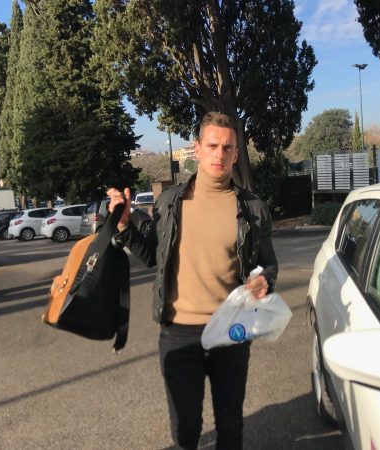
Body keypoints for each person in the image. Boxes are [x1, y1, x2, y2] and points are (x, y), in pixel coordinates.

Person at [107, 111, 278, 450]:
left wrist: (264, 282)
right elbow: (152, 257)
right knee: (185, 429)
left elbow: (268, 265)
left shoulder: (253, 208)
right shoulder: (170, 201)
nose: (220, 154)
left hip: (231, 330)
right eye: (212, 145)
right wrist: (124, 226)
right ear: (197, 149)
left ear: (236, 153)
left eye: (227, 147)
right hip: (179, 333)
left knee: (230, 424)